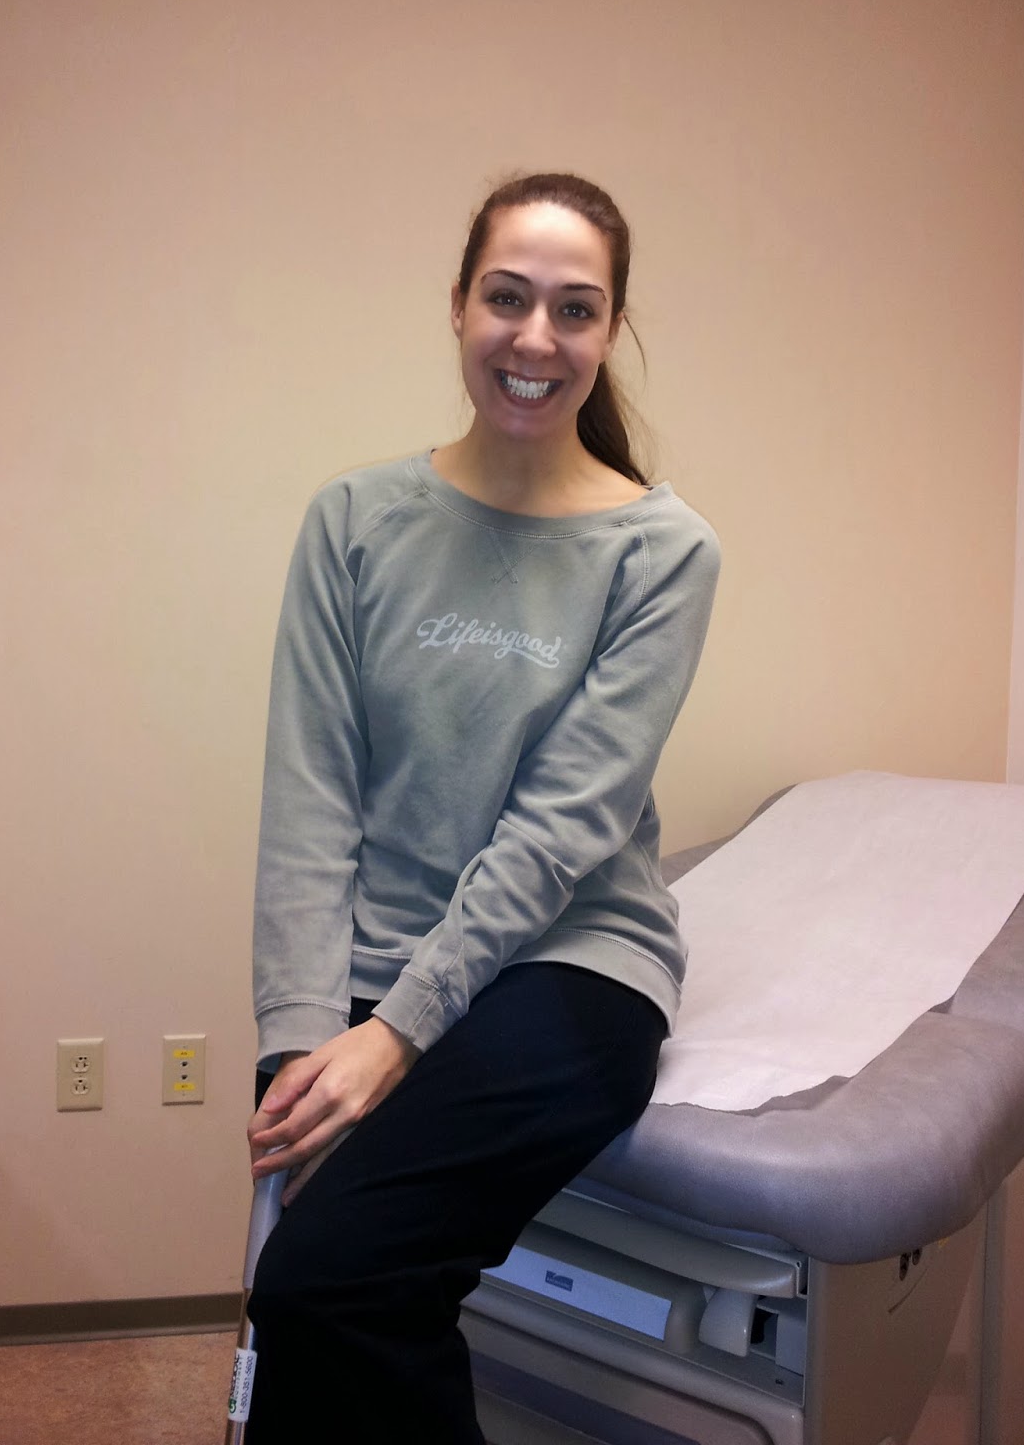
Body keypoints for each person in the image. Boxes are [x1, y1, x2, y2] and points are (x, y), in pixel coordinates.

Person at [242, 172, 720, 1442]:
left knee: (323, 1280)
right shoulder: (355, 520)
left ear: (610, 332)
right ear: (458, 305)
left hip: (572, 962)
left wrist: (395, 1033)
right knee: (304, 1302)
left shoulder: (663, 551)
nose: (535, 337)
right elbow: (310, 798)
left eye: (575, 308)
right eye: (508, 298)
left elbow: (562, 828)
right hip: (378, 955)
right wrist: (299, 1041)